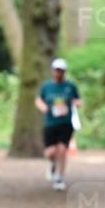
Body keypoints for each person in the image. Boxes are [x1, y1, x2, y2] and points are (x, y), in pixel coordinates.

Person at [34, 58, 81, 191]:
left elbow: (78, 100)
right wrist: (43, 107)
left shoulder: (70, 86)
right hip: (50, 123)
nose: (58, 73)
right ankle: (52, 164)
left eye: (61, 71)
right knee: (50, 152)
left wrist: (76, 103)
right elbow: (39, 99)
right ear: (53, 71)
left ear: (64, 72)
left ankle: (59, 177)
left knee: (62, 150)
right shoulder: (47, 86)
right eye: (56, 70)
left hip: (65, 123)